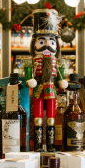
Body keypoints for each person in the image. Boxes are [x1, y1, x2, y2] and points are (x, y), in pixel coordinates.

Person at [24, 9, 68, 151]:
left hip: (51, 91)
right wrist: (29, 81)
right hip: (38, 90)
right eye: (42, 41)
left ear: (56, 45)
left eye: (51, 42)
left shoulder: (59, 62)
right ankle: (38, 146)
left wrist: (61, 82)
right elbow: (28, 76)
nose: (47, 45)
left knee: (51, 118)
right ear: (34, 44)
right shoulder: (31, 61)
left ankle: (50, 145)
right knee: (37, 118)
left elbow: (60, 77)